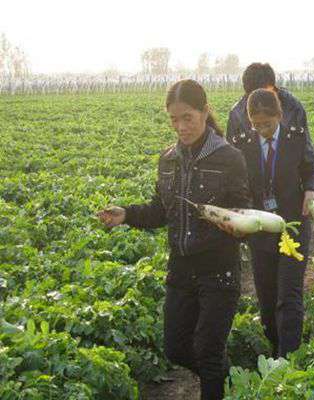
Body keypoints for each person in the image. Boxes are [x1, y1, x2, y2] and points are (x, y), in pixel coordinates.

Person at [97, 79, 251, 400]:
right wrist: (126, 214)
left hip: (218, 272)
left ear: (205, 112)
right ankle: (224, 377)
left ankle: (216, 378)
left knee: (208, 352)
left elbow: (242, 210)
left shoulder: (229, 158)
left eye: (188, 118)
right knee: (176, 348)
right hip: (180, 270)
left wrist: (235, 222)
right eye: (174, 119)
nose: (181, 127)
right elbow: (159, 210)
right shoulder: (167, 160)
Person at [228, 87, 314, 359]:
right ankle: (273, 348)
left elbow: (310, 170)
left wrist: (311, 191)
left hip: (293, 226)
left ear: (280, 116)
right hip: (261, 230)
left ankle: (289, 359)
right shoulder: (243, 143)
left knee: (289, 294)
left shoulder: (296, 138)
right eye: (256, 125)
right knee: (267, 298)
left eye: (267, 124)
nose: (262, 130)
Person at [226, 62, 309, 144]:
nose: (260, 102)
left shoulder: (292, 106)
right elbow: (232, 152)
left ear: (273, 87)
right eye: (253, 98)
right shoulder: (237, 114)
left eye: (265, 95)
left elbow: (305, 147)